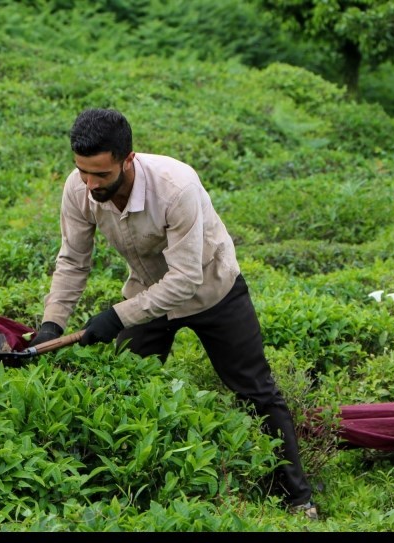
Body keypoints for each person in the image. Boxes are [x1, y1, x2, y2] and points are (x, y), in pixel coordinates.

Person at [30, 108, 317, 519]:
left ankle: (297, 498)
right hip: (148, 294)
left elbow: (185, 279)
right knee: (124, 385)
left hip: (211, 289)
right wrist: (52, 322)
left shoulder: (176, 186)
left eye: (101, 175)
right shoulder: (79, 188)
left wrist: (116, 316)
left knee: (256, 392)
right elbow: (74, 261)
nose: (90, 184)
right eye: (82, 172)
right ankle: (129, 492)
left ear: (128, 160)